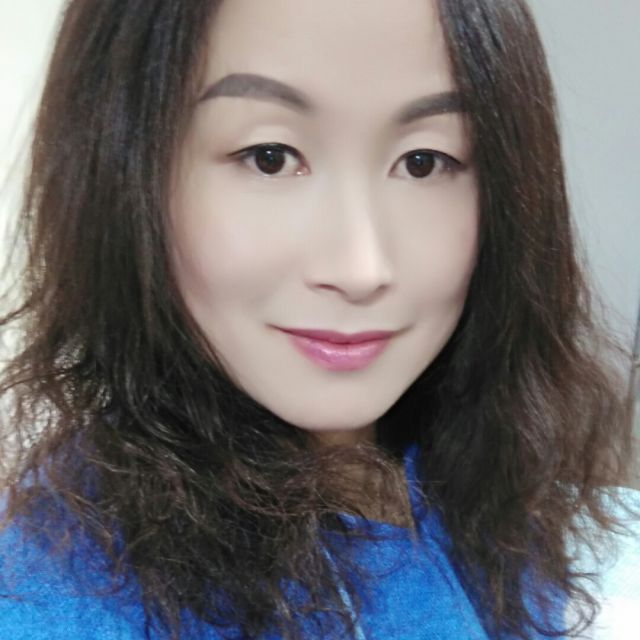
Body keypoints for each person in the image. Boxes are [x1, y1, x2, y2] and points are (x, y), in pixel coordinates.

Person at [0, 0, 637, 638]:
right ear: (123, 171)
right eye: (270, 156)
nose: (361, 268)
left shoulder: (474, 467)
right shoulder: (59, 600)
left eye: (424, 161)